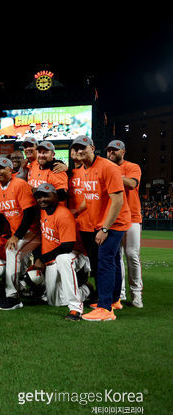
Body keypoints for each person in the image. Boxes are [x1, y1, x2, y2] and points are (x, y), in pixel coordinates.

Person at [70, 136, 131, 322]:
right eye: (77, 148)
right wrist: (77, 210)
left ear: (93, 148)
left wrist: (105, 228)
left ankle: (105, 308)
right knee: (109, 260)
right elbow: (90, 197)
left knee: (104, 261)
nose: (80, 152)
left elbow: (118, 200)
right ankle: (114, 300)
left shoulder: (108, 167)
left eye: (83, 148)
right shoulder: (85, 169)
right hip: (100, 222)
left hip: (114, 222)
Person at [32, 183, 91, 320]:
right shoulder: (43, 211)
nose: (42, 199)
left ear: (55, 196)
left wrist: (42, 259)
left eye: (46, 196)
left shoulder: (63, 214)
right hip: (52, 258)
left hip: (74, 254)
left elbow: (67, 247)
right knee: (55, 302)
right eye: (39, 197)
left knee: (63, 259)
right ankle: (84, 288)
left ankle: (76, 307)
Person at [0, 157, 40, 311]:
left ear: (10, 170)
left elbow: (29, 213)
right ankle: (26, 288)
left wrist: (16, 236)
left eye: (1, 168)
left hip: (34, 232)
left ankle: (13, 297)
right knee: (19, 262)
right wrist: (7, 234)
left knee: (12, 250)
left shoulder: (20, 184)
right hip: (20, 234)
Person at [106, 140, 143, 308]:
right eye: (109, 150)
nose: (111, 153)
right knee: (116, 256)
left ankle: (136, 294)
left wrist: (115, 176)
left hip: (133, 217)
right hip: (114, 218)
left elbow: (132, 183)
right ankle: (118, 295)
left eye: (115, 150)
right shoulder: (105, 166)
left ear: (123, 151)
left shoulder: (132, 166)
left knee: (132, 255)